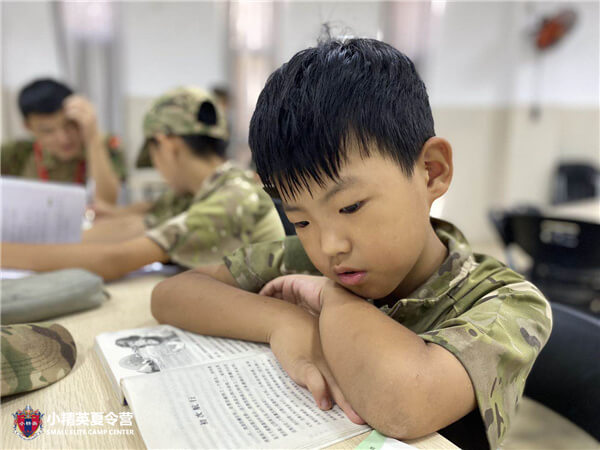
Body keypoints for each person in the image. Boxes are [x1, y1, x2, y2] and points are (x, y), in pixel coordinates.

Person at [150, 39, 552, 449]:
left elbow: (403, 405)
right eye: (301, 221)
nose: (329, 247)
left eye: (351, 206)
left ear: (431, 171)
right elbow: (171, 295)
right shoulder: (303, 259)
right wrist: (283, 322)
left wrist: (332, 298)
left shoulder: (507, 302)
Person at [1, 87, 285, 280]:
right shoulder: (203, 189)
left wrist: (7, 253)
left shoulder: (233, 198)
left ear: (167, 145)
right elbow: (139, 221)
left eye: (153, 154)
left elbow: (115, 260)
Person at [1, 78, 126, 205]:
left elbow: (106, 203)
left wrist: (92, 138)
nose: (63, 139)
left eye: (70, 125)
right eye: (48, 131)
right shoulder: (17, 153)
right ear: (28, 127)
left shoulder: (105, 144)